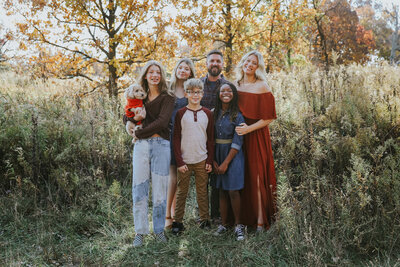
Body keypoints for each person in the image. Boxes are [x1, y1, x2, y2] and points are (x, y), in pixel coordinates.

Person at [124, 60, 175, 247]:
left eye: (158, 72)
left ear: (161, 76)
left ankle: (159, 230)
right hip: (141, 147)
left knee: (160, 190)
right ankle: (140, 231)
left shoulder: (168, 97)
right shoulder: (139, 95)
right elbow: (126, 115)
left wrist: (137, 132)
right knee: (139, 188)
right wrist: (131, 122)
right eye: (151, 72)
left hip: (161, 144)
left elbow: (162, 123)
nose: (154, 75)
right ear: (145, 75)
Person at [234, 51, 277, 232]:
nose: (249, 64)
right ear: (243, 63)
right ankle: (242, 220)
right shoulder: (235, 85)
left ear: (258, 67)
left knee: (257, 176)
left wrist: (248, 129)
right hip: (238, 136)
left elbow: (269, 118)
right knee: (242, 177)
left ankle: (260, 221)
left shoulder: (262, 86)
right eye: (247, 61)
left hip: (257, 135)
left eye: (254, 63)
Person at [171, 78, 214, 235]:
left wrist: (209, 160)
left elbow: (210, 139)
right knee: (182, 191)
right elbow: (175, 138)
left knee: (202, 191)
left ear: (202, 94)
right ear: (185, 94)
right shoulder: (181, 114)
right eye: (191, 92)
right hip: (185, 161)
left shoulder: (208, 114)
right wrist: (179, 161)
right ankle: (178, 221)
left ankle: (204, 219)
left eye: (197, 92)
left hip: (202, 159)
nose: (194, 95)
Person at [212, 82, 246, 241]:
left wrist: (226, 162)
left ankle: (239, 225)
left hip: (232, 155)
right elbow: (208, 138)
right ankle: (224, 224)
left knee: (233, 190)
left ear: (234, 94)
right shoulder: (213, 113)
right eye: (222, 91)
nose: (226, 93)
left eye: (229, 90)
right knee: (221, 190)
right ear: (218, 94)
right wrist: (212, 159)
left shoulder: (237, 115)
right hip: (216, 154)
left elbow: (238, 141)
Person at [165, 58, 196, 229]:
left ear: (190, 72)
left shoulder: (191, 90)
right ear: (175, 69)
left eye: (187, 68)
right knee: (172, 177)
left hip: (186, 137)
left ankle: (176, 215)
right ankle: (167, 216)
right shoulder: (167, 89)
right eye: (180, 67)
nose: (183, 70)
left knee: (180, 179)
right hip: (168, 136)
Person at [200, 49, 228, 222]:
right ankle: (204, 215)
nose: (215, 64)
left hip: (220, 137)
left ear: (222, 64)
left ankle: (218, 215)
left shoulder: (227, 86)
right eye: (212, 61)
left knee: (218, 176)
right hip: (200, 137)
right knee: (203, 177)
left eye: (218, 61)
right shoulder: (198, 84)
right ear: (207, 64)